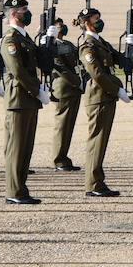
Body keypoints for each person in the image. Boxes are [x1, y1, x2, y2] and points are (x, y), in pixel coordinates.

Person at [76, 7, 128, 197]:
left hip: (105, 96)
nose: (100, 22)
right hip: (98, 96)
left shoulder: (100, 42)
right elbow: (97, 73)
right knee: (96, 140)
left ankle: (97, 181)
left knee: (101, 140)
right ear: (87, 22)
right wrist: (117, 90)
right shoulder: (88, 46)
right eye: (96, 19)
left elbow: (116, 58)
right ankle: (93, 184)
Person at [0, 0, 44, 204]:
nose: (27, 13)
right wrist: (36, 90)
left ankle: (21, 189)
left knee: (26, 147)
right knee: (16, 148)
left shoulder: (24, 38)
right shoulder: (10, 39)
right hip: (19, 98)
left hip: (28, 98)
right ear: (13, 14)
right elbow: (17, 70)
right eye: (23, 10)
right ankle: (14, 191)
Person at [46, 20, 82, 172]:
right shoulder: (51, 45)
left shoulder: (67, 43)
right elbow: (59, 66)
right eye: (59, 25)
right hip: (63, 87)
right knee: (62, 125)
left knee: (68, 125)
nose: (63, 26)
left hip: (73, 87)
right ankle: (58, 159)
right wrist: (77, 81)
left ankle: (63, 157)